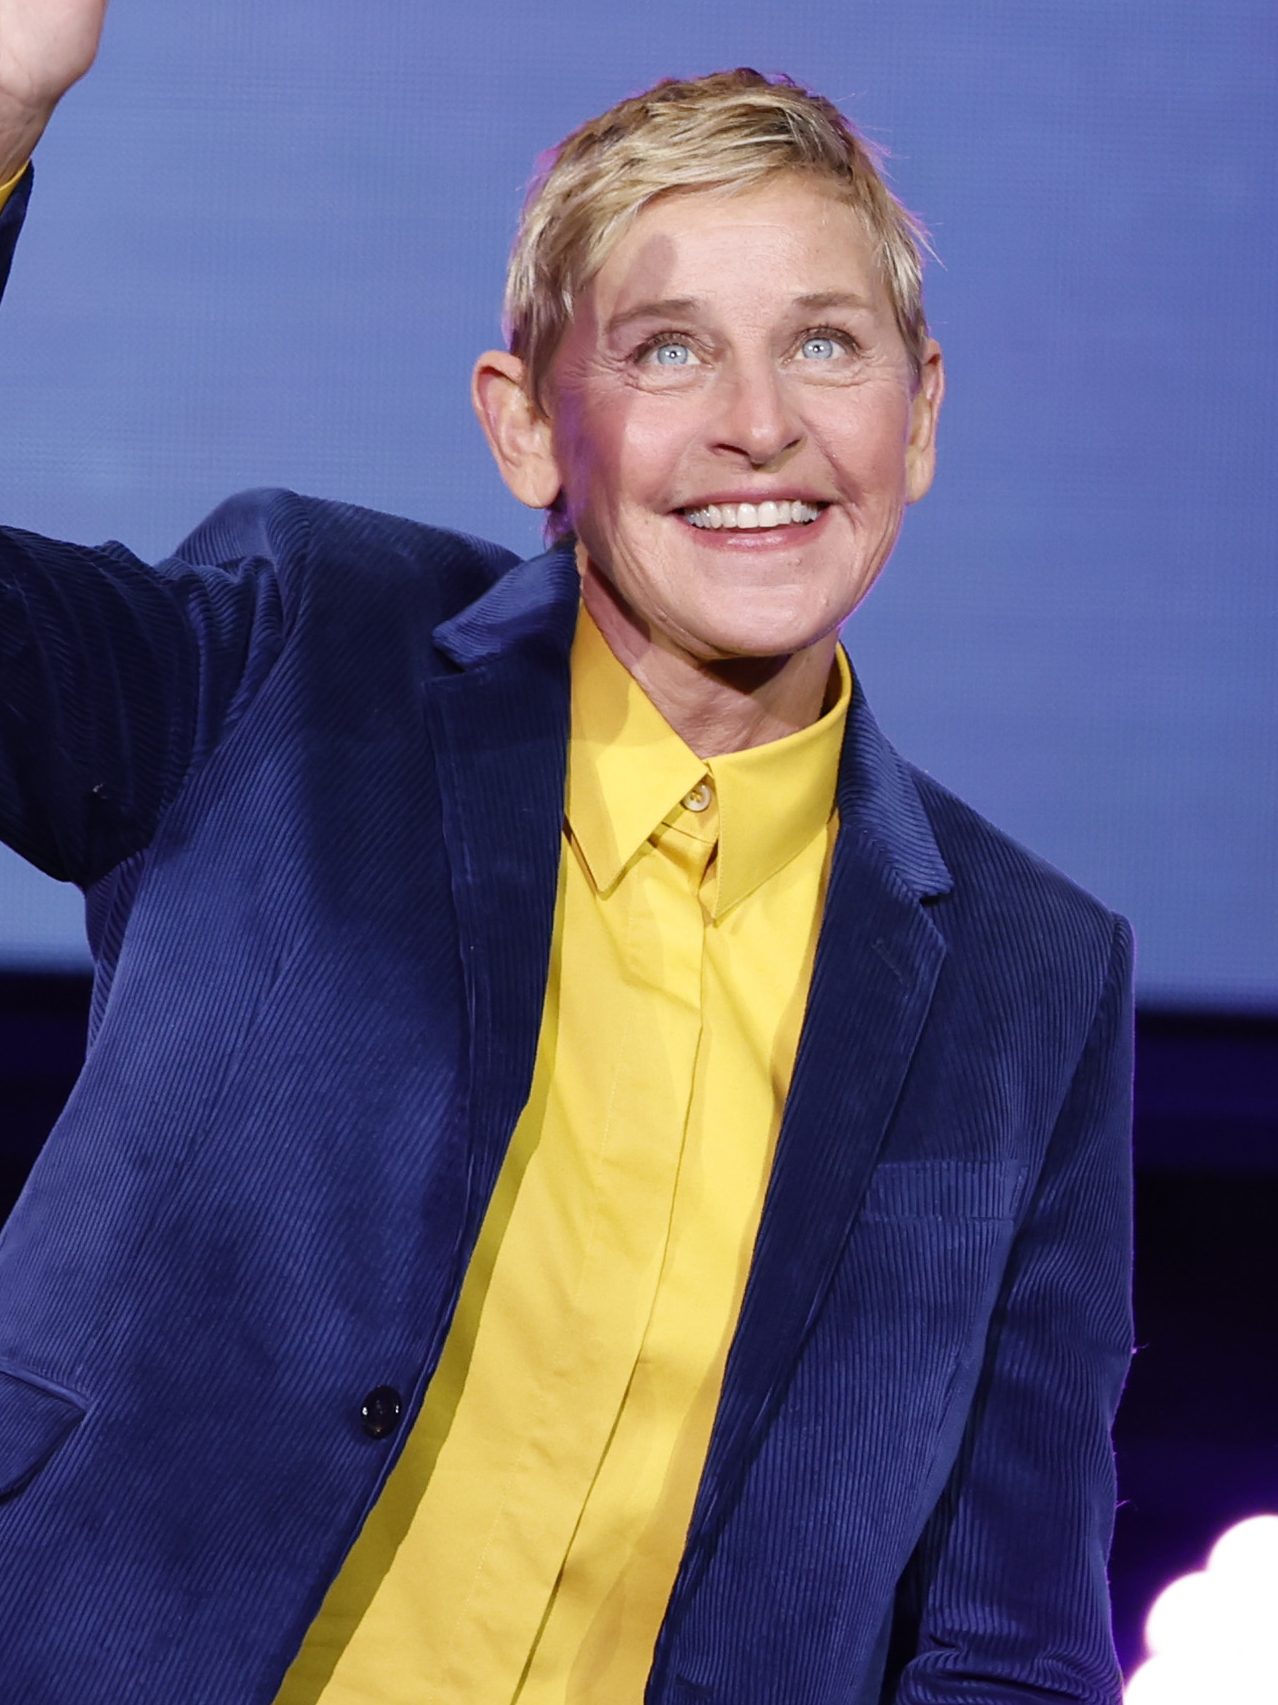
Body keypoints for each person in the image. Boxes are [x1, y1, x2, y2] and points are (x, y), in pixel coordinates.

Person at [0, 8, 1134, 1703]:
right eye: (668, 351)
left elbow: (1006, 1641)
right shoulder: (303, 646)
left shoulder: (1031, 974)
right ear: (527, 424)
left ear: (917, 416)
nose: (759, 424)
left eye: (825, 345)